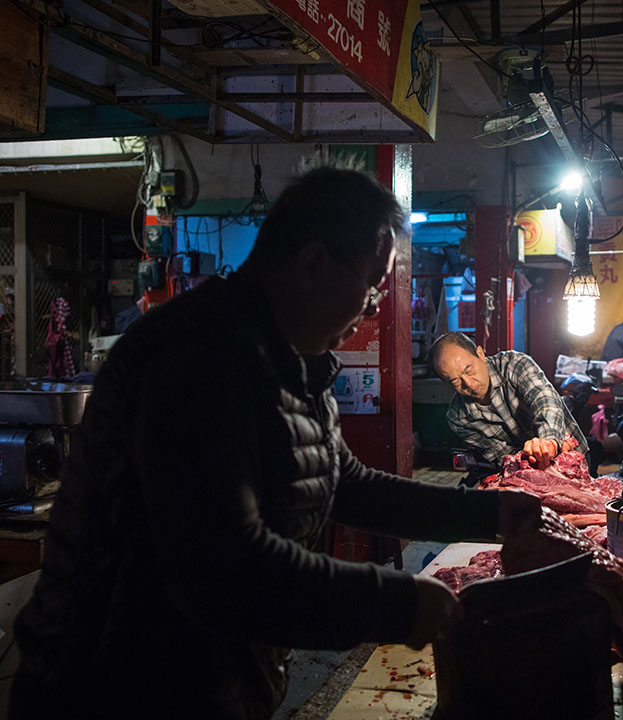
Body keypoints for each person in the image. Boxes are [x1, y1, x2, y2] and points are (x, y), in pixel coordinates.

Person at [11, 165, 539, 719]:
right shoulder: (200, 358)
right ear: (312, 265)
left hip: (217, 685)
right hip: (117, 689)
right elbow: (224, 565)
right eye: (372, 285)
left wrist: (490, 513)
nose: (376, 306)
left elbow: (346, 485)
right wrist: (396, 603)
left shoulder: (295, 359)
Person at [431, 332, 588, 471]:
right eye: (455, 381)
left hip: (574, 460)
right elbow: (500, 455)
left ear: (480, 354)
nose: (469, 384)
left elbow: (545, 399)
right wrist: (532, 458)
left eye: (469, 370)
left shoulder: (514, 364)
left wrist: (550, 442)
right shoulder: (458, 418)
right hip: (527, 476)